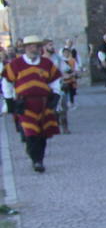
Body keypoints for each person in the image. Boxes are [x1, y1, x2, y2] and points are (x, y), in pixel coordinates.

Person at [3, 35, 62, 172]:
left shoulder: (47, 64)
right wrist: (9, 100)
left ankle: (39, 158)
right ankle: (36, 160)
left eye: (36, 46)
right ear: (24, 48)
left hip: (43, 103)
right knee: (31, 133)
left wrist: (55, 95)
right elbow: (7, 81)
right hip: (25, 104)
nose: (33, 48)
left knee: (43, 133)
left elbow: (54, 81)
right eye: (30, 46)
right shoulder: (16, 64)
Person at [57, 47, 80, 133]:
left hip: (60, 85)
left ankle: (64, 127)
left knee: (63, 107)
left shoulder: (57, 59)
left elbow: (68, 69)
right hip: (47, 88)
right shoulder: (42, 60)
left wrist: (70, 74)